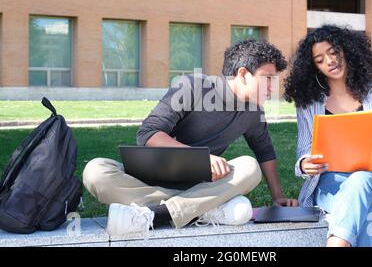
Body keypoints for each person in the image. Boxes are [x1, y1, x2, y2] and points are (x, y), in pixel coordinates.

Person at [83, 39, 298, 236]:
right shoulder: (192, 86)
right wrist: (200, 157)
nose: (272, 87)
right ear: (243, 74)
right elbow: (147, 134)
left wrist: (277, 196)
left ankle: (158, 214)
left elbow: (264, 151)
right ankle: (204, 210)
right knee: (95, 171)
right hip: (151, 179)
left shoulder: (254, 111)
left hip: (200, 184)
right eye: (267, 78)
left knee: (250, 167)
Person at [284, 25, 372, 247]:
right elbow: (304, 149)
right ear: (313, 66)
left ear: (347, 50)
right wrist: (305, 164)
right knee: (364, 209)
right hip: (331, 181)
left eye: (333, 52)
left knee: (361, 180)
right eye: (320, 59)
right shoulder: (309, 103)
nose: (330, 61)